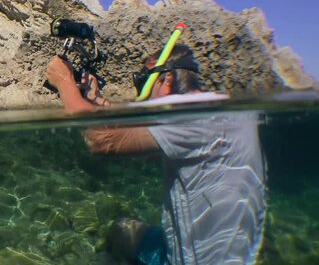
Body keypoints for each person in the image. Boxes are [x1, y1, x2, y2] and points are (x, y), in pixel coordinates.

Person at [46, 44, 267, 265]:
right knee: (122, 230)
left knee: (120, 234)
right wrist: (96, 100)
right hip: (208, 254)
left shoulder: (190, 114)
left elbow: (101, 141)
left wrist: (64, 82)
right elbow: (138, 132)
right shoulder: (215, 113)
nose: (139, 92)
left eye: (142, 82)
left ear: (166, 80)